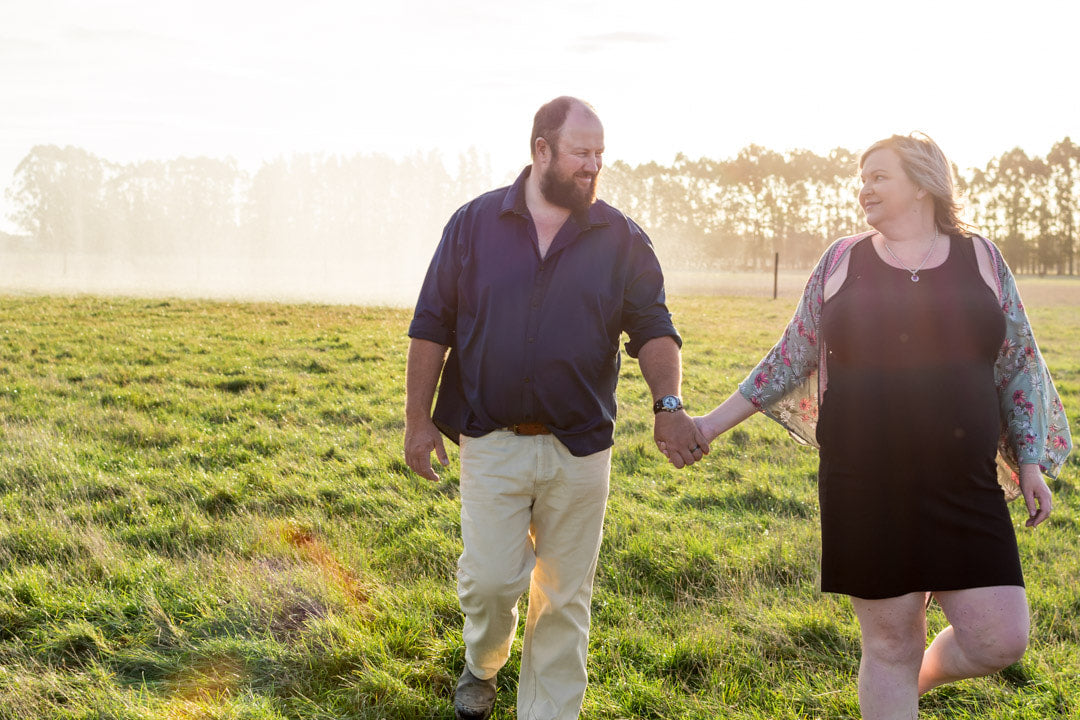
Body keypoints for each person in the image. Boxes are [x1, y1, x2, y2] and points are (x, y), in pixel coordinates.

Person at [671, 133, 1072, 718]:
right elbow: (790, 357)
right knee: (889, 646)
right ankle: (896, 688)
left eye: (879, 176)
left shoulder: (982, 258)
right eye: (862, 179)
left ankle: (916, 683)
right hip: (865, 483)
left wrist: (1030, 463)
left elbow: (1018, 363)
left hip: (964, 483)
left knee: (1000, 640)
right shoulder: (842, 261)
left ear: (923, 184)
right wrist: (707, 425)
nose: (865, 189)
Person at [404, 96, 708, 720]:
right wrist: (417, 420)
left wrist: (669, 404)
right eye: (580, 153)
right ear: (541, 150)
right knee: (491, 583)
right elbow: (432, 324)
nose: (593, 166)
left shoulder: (621, 238)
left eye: (600, 154)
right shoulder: (473, 225)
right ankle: (482, 664)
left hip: (580, 446)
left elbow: (654, 326)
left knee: (565, 597)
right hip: (490, 437)